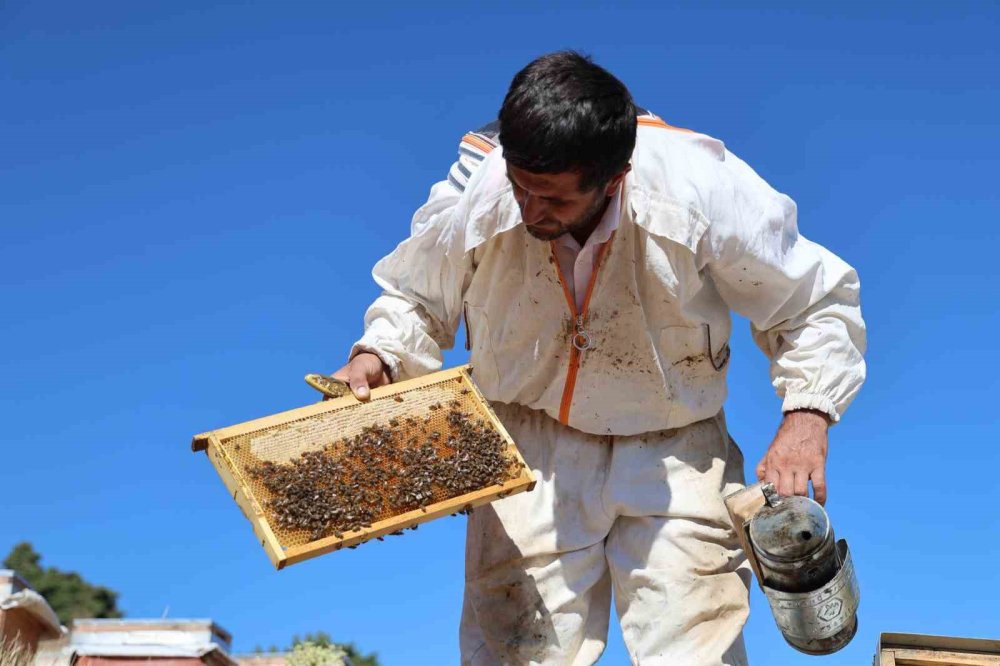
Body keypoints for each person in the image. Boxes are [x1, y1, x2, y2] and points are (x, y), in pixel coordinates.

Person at [332, 51, 866, 666]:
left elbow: (813, 300)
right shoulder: (480, 188)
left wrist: (807, 417)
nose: (532, 212)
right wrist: (379, 353)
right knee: (519, 653)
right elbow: (417, 296)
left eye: (554, 200)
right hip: (526, 453)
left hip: (675, 448)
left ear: (613, 178)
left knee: (695, 651)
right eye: (521, 189)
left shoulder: (700, 187)